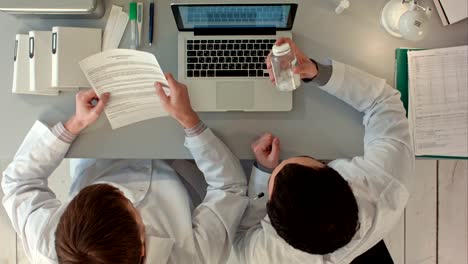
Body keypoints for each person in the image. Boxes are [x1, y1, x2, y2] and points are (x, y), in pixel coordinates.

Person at [2, 74, 248, 263]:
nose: (122, 190)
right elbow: (230, 188)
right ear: (142, 246)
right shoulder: (190, 257)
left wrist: (74, 124)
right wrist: (190, 122)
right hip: (174, 160)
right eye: (126, 202)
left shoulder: (48, 244)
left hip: (101, 151)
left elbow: (17, 184)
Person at [232, 38, 414, 263]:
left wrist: (263, 172)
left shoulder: (269, 255)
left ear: (274, 229)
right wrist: (316, 72)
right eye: (309, 159)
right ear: (345, 180)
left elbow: (240, 237)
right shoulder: (388, 182)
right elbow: (384, 102)